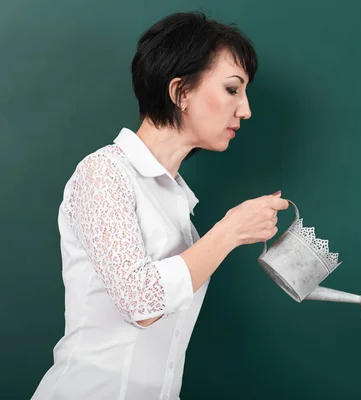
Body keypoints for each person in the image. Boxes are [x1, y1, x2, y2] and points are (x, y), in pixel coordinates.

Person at [31, 11, 289, 400]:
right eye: (233, 89)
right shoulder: (103, 174)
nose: (246, 110)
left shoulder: (177, 203)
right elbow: (141, 302)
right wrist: (230, 231)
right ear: (181, 92)